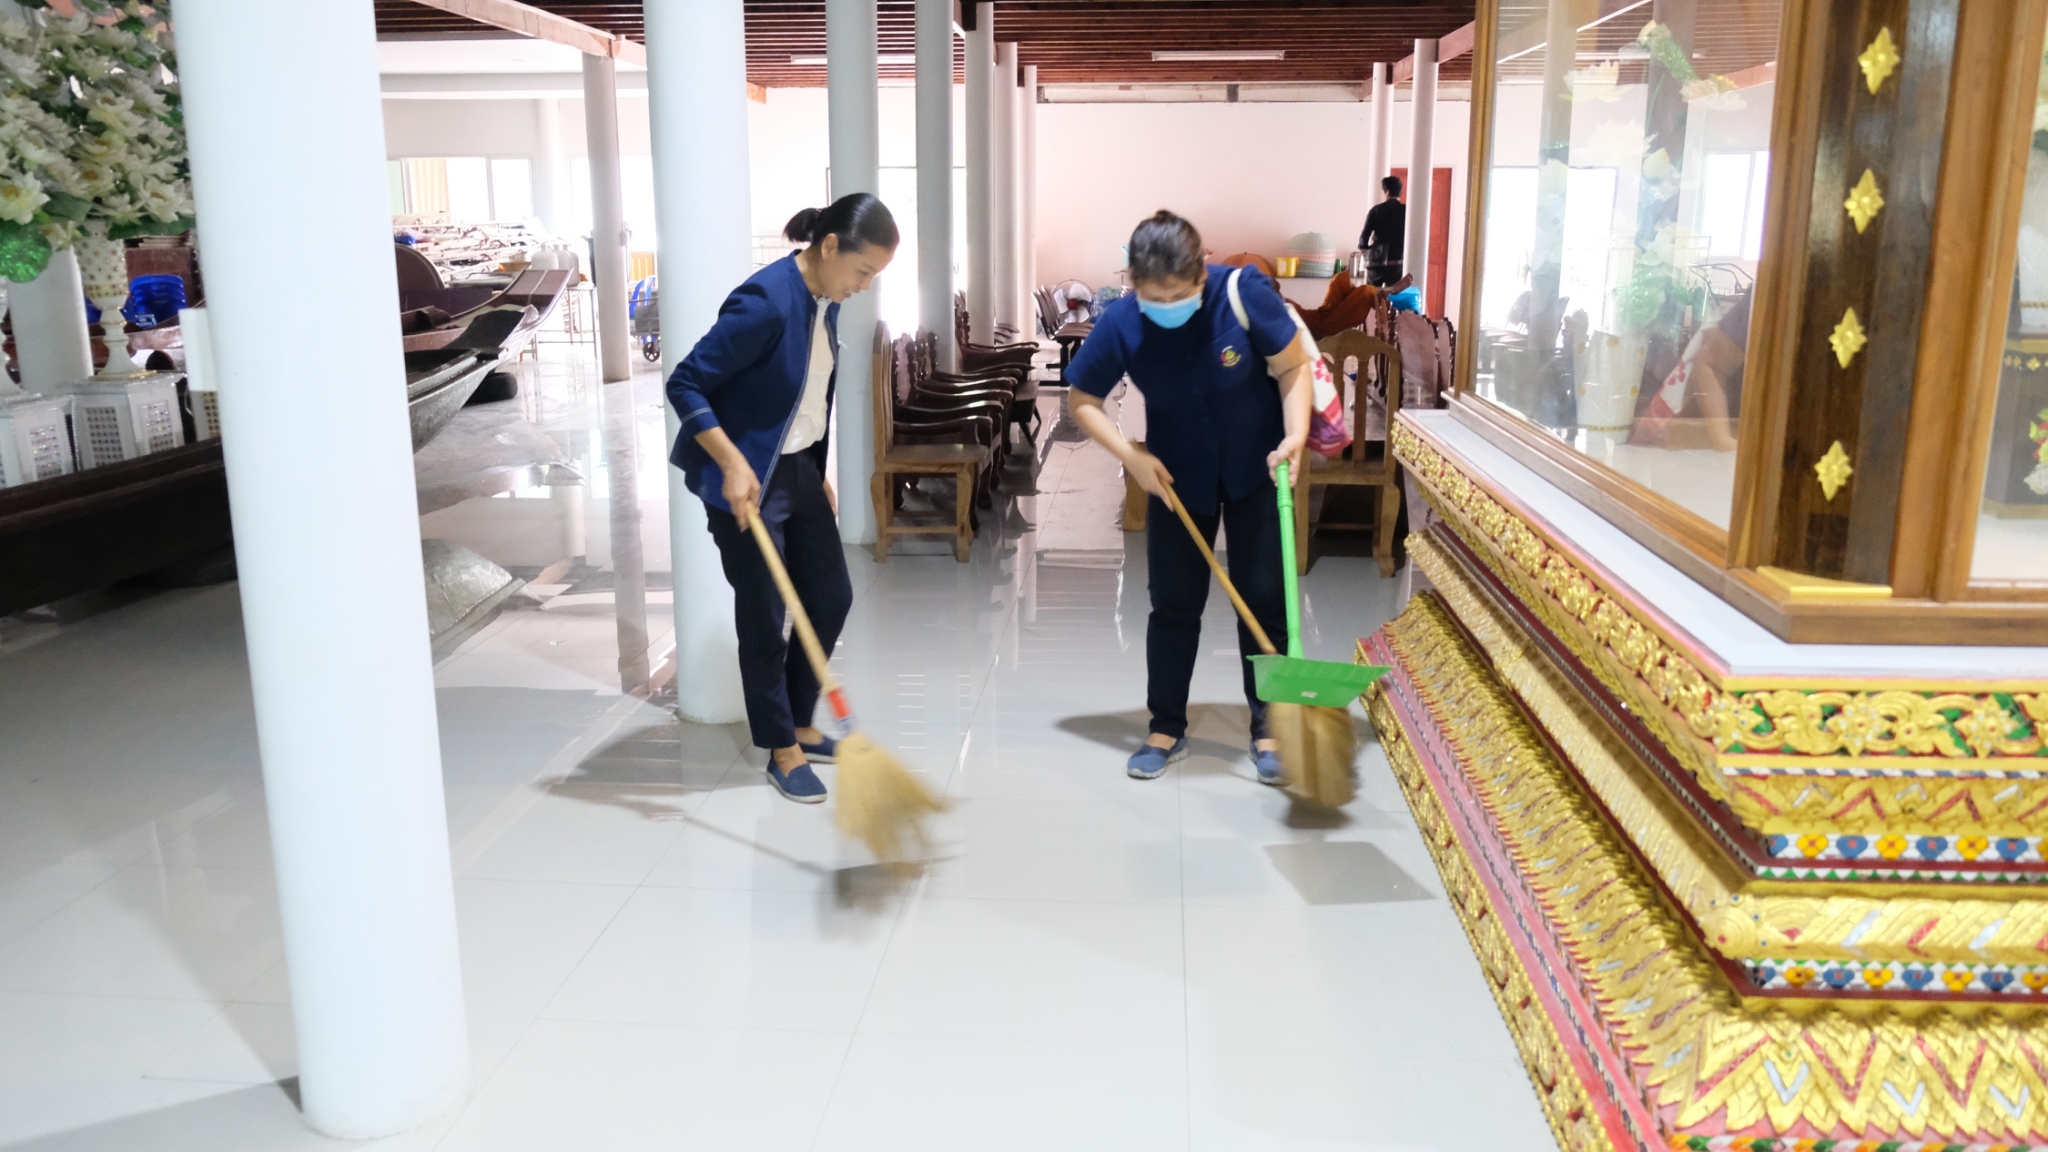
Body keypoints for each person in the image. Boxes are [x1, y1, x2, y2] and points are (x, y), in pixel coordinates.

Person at [1066, 210, 1314, 784]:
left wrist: (1295, 436)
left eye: (1181, 295)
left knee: (1264, 602)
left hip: (1258, 470)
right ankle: (1165, 726)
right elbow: (1082, 399)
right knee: (1173, 604)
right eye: (1156, 297)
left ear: (1202, 272)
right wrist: (1132, 457)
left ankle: (1270, 726)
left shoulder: (1242, 294)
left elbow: (1292, 368)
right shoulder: (1123, 320)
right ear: (1133, 281)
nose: (1169, 306)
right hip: (1176, 479)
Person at [665, 193, 899, 803]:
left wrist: (812, 467)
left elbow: (806, 394)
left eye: (872, 277)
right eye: (862, 272)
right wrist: (732, 462)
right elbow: (685, 382)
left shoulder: (825, 300)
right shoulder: (766, 302)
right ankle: (782, 747)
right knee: (765, 615)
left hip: (797, 471)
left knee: (830, 596)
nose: (863, 287)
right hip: (746, 481)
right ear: (830, 246)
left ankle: (800, 720)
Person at [1358, 176, 1406, 287]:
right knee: (1394, 294)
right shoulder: (1406, 211)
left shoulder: (1375, 210)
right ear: (1400, 192)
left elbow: (1364, 238)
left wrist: (1366, 251)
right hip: (1398, 263)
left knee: (1373, 294)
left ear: (1386, 191)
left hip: (1377, 263)